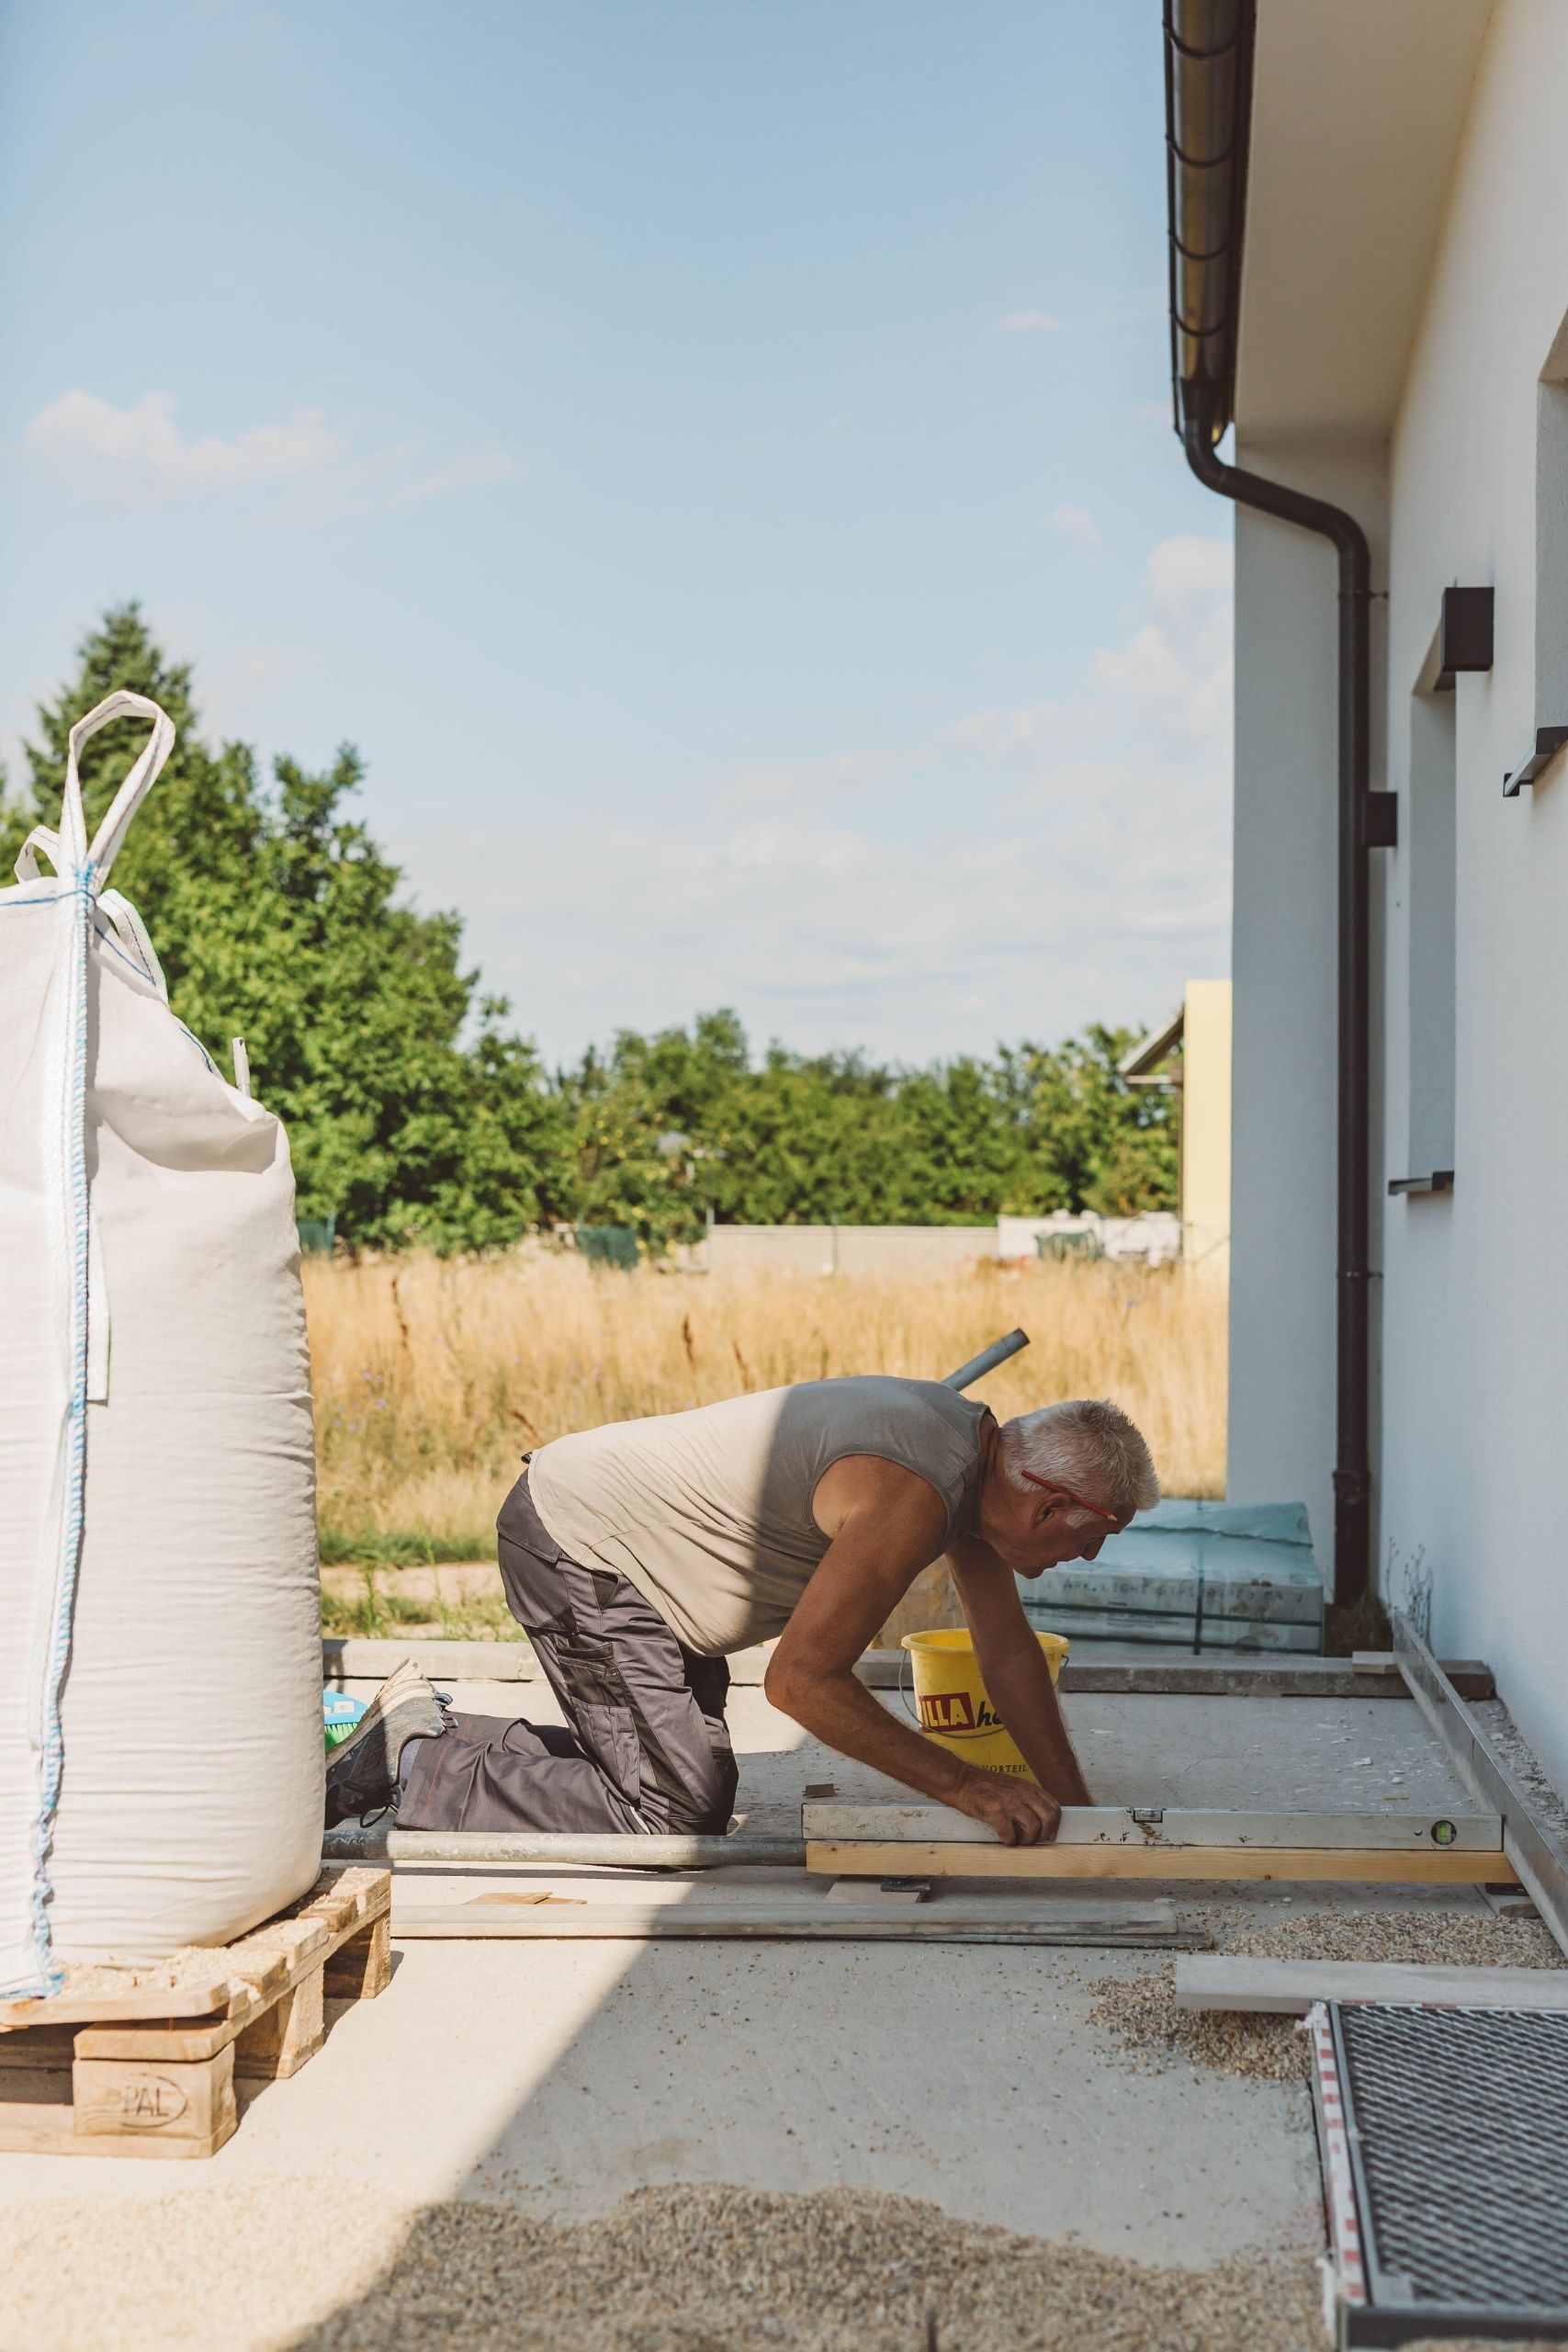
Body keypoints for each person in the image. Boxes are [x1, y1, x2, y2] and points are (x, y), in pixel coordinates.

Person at [324, 1377, 1158, 1848]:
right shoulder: (913, 1489)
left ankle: (422, 1728)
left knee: (681, 1780)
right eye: (1094, 1536)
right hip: (587, 1549)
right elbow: (801, 1683)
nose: (1086, 1557)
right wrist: (966, 1786)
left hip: (646, 1571)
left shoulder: (971, 1464)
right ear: (1047, 1504)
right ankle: (411, 1767)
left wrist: (1079, 1813)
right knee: (671, 1812)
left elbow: (1007, 1658)